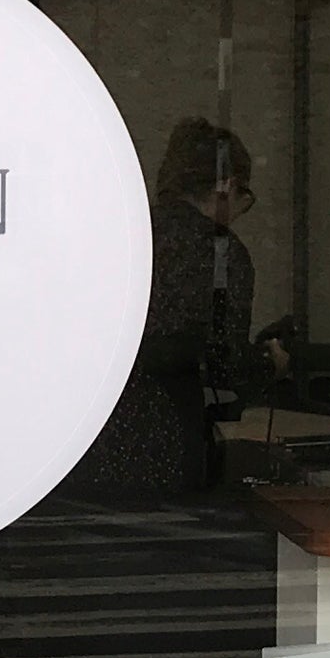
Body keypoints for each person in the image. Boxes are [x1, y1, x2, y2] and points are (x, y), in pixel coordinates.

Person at [69, 117, 260, 502]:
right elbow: (228, 369)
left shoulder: (119, 235)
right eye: (245, 198)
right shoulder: (221, 253)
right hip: (167, 441)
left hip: (84, 435)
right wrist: (271, 366)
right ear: (226, 186)